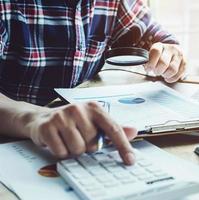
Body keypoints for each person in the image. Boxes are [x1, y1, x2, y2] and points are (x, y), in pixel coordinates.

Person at [0, 0, 186, 165]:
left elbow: (155, 37)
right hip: (12, 142)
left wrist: (170, 54)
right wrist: (33, 118)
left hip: (84, 140)